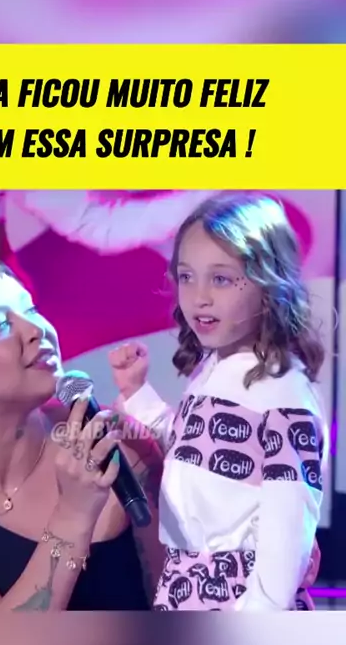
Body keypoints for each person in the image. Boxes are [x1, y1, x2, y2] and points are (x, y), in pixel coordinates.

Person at [0, 188, 210, 609]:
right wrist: (74, 514)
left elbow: (177, 606)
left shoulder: (117, 443)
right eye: (0, 326)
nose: (36, 331)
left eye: (30, 310)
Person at [109, 192, 328, 611]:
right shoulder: (215, 367)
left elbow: (285, 547)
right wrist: (137, 394)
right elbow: (193, 446)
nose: (199, 296)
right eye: (187, 276)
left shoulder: (284, 394)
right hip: (184, 588)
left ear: (268, 284)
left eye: (221, 279)